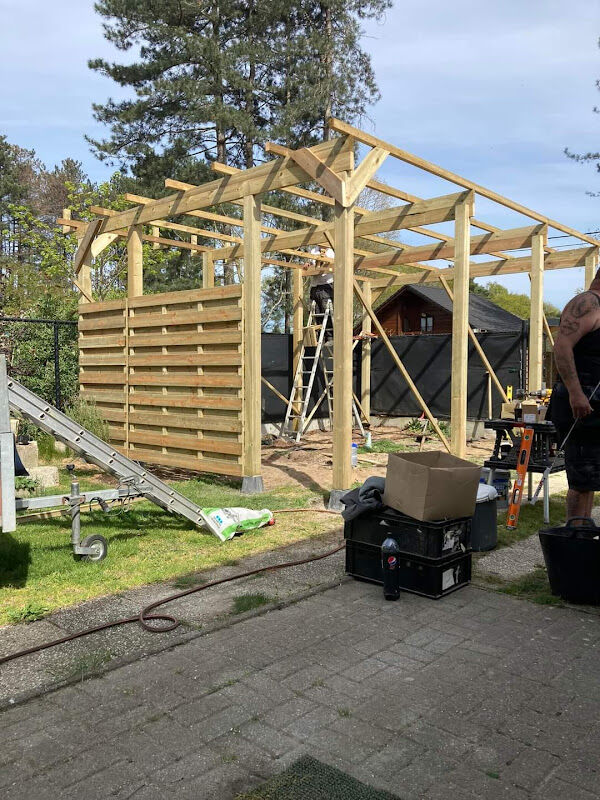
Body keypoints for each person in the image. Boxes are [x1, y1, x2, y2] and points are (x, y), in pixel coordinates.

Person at [550, 273, 600, 521]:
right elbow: (561, 347)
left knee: (590, 476)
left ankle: (583, 532)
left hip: (594, 403)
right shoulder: (587, 303)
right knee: (582, 478)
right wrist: (576, 394)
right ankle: (574, 536)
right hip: (581, 403)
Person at [309, 245, 334, 341]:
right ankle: (320, 337)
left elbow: (330, 264)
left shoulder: (331, 252)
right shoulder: (313, 250)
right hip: (315, 285)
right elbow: (310, 264)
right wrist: (307, 265)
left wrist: (322, 260)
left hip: (326, 285)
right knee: (315, 311)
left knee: (326, 310)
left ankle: (330, 336)